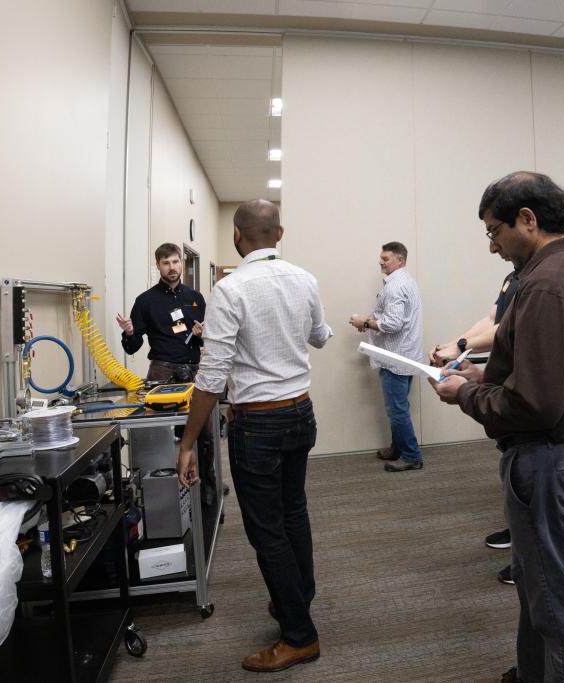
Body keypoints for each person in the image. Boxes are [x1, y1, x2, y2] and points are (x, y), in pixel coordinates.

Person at [432, 171, 564, 683]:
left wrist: (464, 392)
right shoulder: (563, 271)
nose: (492, 246)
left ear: (528, 221)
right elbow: (541, 372)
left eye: (495, 231)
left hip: (550, 457)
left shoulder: (549, 284)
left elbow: (536, 404)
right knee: (540, 592)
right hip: (559, 454)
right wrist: (481, 374)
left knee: (557, 607)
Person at [176, 199, 333, 673]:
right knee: (293, 513)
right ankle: (296, 599)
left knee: (267, 530)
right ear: (279, 233)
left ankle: (299, 635)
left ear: (237, 238)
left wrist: (187, 443)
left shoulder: (230, 289)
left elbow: (211, 376)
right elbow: (321, 337)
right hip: (300, 413)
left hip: (258, 424)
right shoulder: (305, 279)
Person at [430, 270, 520, 585]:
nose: (493, 243)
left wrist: (462, 344)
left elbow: (507, 329)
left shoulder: (542, 281)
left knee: (529, 483)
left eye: (496, 231)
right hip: (504, 388)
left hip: (524, 402)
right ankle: (518, 532)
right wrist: (454, 345)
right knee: (513, 473)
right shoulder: (514, 276)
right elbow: (493, 318)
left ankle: (527, 559)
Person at [116, 243, 216, 505]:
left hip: (194, 371)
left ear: (181, 263)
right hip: (162, 371)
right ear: (158, 266)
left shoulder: (195, 297)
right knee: (157, 433)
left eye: (175, 262)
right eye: (165, 263)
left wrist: (201, 334)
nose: (171, 268)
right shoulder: (145, 301)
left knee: (203, 432)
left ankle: (208, 483)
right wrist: (128, 331)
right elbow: (133, 345)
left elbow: (208, 335)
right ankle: (161, 491)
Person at [349, 242, 425, 472]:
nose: (381, 262)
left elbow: (391, 324)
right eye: (381, 258)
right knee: (398, 406)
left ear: (400, 260)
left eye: (386, 258)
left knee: (397, 409)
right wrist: (371, 323)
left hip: (395, 357)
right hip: (404, 354)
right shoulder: (405, 281)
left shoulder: (395, 286)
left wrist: (364, 322)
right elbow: (390, 318)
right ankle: (398, 448)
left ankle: (411, 456)